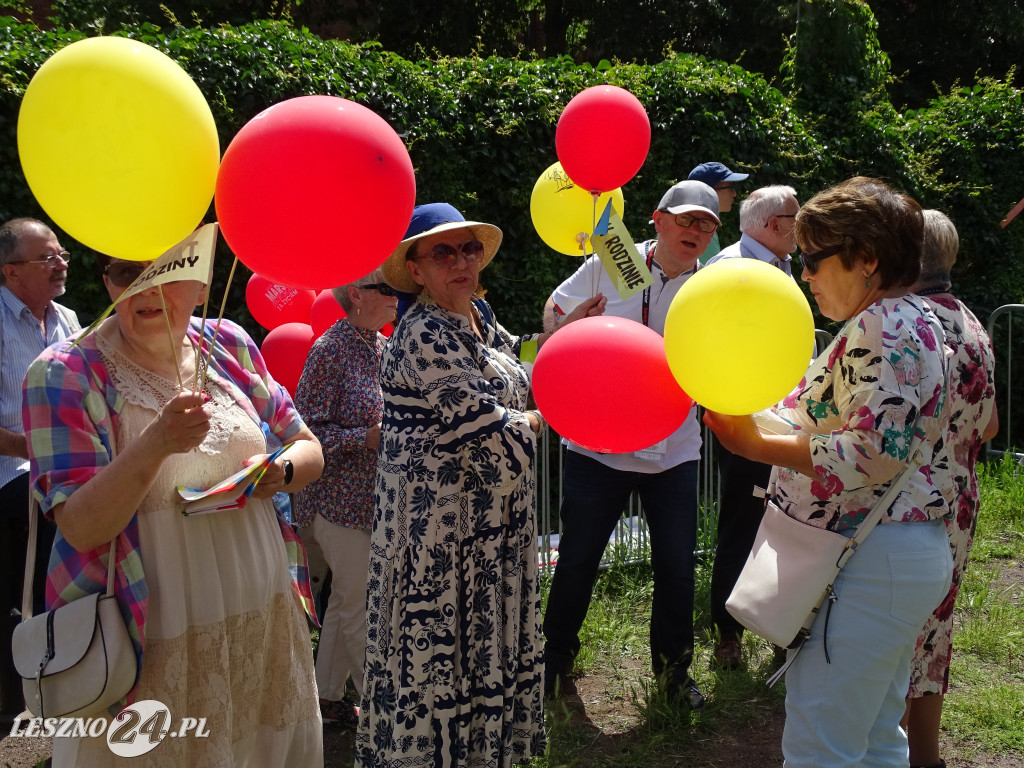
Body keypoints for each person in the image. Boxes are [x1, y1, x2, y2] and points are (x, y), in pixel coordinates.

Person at [24, 254, 325, 766]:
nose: (146, 288)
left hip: (261, 617)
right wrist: (156, 443)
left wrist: (280, 472)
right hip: (154, 635)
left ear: (202, 283)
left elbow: (307, 445)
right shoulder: (63, 372)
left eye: (165, 271)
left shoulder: (228, 343)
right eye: (127, 273)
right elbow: (80, 526)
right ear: (106, 282)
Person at [704, 177, 955, 768]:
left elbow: (869, 454)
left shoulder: (881, 327)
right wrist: (744, 410)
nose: (805, 274)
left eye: (814, 259)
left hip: (865, 559)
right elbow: (824, 419)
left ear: (867, 260)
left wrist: (754, 444)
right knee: (871, 741)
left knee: (821, 748)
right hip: (894, 554)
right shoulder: (910, 319)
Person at [355, 203, 604, 768]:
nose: (461, 261)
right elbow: (483, 430)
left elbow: (510, 361)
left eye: (469, 248)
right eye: (443, 252)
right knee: (439, 666)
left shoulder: (476, 315)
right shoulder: (423, 331)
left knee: (483, 653)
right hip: (437, 540)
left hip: (489, 530)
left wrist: (562, 338)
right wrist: (554, 412)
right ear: (415, 270)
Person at [543, 180, 720, 710]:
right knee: (576, 560)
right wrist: (568, 325)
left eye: (707, 224)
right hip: (599, 449)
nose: (696, 231)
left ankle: (672, 677)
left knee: (675, 566)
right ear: (657, 219)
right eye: (686, 219)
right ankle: (554, 663)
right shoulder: (609, 263)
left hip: (674, 450)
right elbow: (552, 317)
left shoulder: (711, 289)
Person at [903, 210, 998, 768]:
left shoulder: (900, 322)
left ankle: (881, 750)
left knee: (889, 627)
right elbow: (989, 425)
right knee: (935, 626)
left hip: (904, 502)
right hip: (958, 497)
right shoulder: (973, 323)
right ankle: (926, 758)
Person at [294, 267, 398, 727]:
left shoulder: (381, 346)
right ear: (357, 294)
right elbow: (305, 434)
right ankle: (383, 712)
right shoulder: (329, 350)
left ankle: (327, 697)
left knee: (346, 602)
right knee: (361, 606)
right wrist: (365, 438)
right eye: (387, 289)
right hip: (335, 504)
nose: (397, 296)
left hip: (369, 503)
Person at [704, 185, 800, 668]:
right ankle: (727, 632)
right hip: (744, 411)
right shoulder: (730, 269)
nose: (800, 224)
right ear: (768, 223)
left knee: (784, 519)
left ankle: (781, 624)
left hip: (784, 411)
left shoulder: (781, 267)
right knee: (743, 519)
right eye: (793, 215)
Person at [0, 218, 79, 720]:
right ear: (10, 272)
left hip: (60, 480)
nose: (60, 265)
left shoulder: (70, 320)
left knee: (64, 596)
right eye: (46, 258)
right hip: (11, 483)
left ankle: (62, 690)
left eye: (62, 254)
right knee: (12, 599)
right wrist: (33, 447)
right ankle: (10, 705)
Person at [687, 161, 748, 263]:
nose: (734, 194)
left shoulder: (693, 223)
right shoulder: (701, 228)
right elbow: (711, 274)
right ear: (710, 191)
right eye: (730, 187)